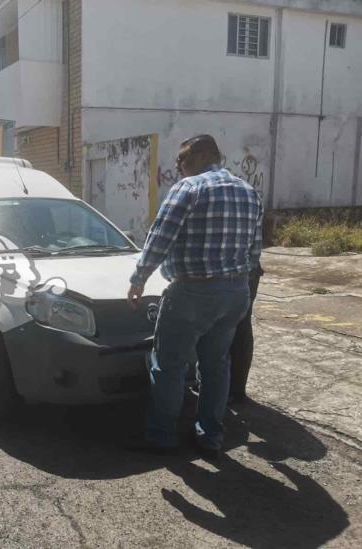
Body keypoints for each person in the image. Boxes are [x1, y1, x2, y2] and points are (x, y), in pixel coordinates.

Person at [127, 135, 263, 459]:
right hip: (236, 290)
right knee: (216, 363)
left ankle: (162, 437)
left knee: (169, 364)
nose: (179, 167)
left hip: (193, 291)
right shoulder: (248, 191)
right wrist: (243, 283)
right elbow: (255, 248)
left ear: (203, 155)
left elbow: (159, 238)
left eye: (182, 159)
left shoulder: (189, 188)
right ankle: (211, 436)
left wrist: (138, 278)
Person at [228, 264, 264, 402]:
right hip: (245, 272)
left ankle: (233, 389)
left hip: (235, 273)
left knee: (238, 329)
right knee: (241, 327)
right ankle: (234, 389)